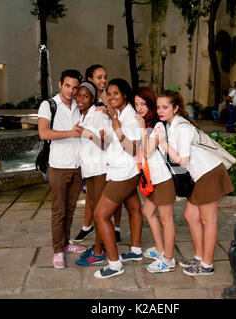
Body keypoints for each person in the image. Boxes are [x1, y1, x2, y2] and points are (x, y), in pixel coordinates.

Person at [155, 90, 234, 276]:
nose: (161, 110)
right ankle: (199, 257)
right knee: (191, 216)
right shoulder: (173, 126)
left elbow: (183, 160)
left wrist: (163, 142)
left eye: (165, 107)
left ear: (175, 108)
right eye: (158, 107)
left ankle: (207, 265)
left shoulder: (181, 127)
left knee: (208, 220)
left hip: (209, 173)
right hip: (199, 176)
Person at [93, 78, 143, 279]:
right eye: (109, 93)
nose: (111, 96)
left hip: (124, 173)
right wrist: (110, 115)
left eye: (116, 93)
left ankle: (114, 265)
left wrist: (116, 126)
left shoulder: (130, 118)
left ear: (125, 95)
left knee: (100, 215)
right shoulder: (120, 112)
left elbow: (132, 149)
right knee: (134, 208)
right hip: (122, 170)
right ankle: (136, 251)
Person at [37, 69, 87, 269]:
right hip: (58, 166)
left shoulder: (78, 105)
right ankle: (57, 251)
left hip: (77, 167)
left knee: (71, 208)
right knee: (59, 211)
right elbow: (43, 133)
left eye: (75, 87)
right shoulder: (49, 105)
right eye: (68, 85)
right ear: (60, 84)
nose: (71, 90)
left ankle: (66, 244)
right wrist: (71, 133)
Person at [72, 64, 122, 243]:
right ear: (90, 79)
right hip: (91, 165)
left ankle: (108, 238)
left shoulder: (102, 106)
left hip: (107, 160)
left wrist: (107, 109)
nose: (104, 81)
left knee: (106, 204)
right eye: (99, 77)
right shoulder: (86, 108)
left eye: (105, 77)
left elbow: (106, 137)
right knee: (93, 200)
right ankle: (93, 233)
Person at [134, 87, 177, 273]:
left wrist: (143, 129)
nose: (139, 108)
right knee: (147, 212)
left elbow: (149, 150)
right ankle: (160, 249)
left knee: (166, 220)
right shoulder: (144, 123)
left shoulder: (158, 126)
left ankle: (168, 259)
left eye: (143, 104)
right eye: (136, 104)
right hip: (152, 180)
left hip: (163, 181)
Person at [73, 81, 112, 266]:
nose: (81, 99)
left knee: (99, 212)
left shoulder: (98, 114)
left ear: (93, 98)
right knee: (97, 210)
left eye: (86, 96)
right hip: (89, 170)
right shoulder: (84, 115)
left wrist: (89, 134)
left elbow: (105, 143)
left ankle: (98, 251)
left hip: (100, 169)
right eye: (79, 95)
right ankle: (100, 245)